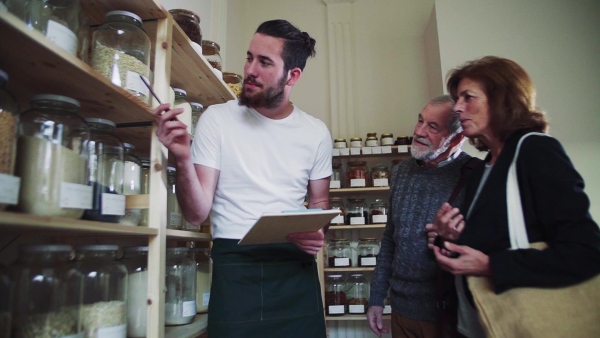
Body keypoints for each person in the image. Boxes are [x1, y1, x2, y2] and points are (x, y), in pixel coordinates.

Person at [152, 19, 332, 337]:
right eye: (249, 57)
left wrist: (316, 229)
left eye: (264, 62)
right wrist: (181, 157)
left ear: (293, 75)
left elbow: (319, 202)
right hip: (235, 269)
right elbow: (195, 214)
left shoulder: (316, 132)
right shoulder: (216, 120)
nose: (250, 69)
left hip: (294, 268)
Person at [426, 56, 600, 338]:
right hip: (480, 323)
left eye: (468, 97)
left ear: (502, 100)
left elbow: (586, 252)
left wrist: (492, 266)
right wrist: (450, 237)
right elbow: (492, 239)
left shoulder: (536, 150)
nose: (458, 108)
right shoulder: (487, 165)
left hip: (526, 320)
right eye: (458, 98)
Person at [367, 95, 474, 338]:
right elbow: (390, 240)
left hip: (448, 316)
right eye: (420, 121)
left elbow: (490, 244)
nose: (419, 131)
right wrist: (376, 298)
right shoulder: (401, 172)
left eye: (432, 126)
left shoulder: (474, 175)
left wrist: (455, 239)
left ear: (457, 138)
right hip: (402, 311)